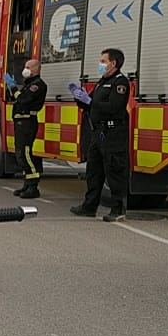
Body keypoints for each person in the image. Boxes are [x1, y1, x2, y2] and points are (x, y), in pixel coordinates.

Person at [70, 48, 131, 222]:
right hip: (99, 133)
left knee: (113, 170)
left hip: (112, 132)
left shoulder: (120, 83)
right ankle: (89, 206)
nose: (100, 64)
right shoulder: (101, 82)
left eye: (103, 61)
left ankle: (118, 209)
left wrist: (92, 102)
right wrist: (79, 98)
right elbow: (90, 105)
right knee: (93, 170)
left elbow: (114, 107)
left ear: (113, 63)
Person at [8, 59, 47, 199]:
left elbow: (23, 100)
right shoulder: (29, 84)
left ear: (36, 69)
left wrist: (13, 88)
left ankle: (33, 186)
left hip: (27, 121)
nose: (25, 69)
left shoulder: (37, 85)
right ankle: (27, 184)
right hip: (21, 121)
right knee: (22, 153)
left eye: (28, 67)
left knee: (24, 154)